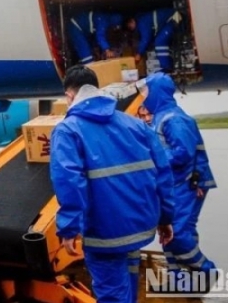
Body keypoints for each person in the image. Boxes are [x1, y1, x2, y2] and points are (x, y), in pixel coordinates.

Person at [50, 65, 174, 302]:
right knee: (128, 279)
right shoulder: (135, 124)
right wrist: (166, 217)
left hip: (104, 233)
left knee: (112, 294)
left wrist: (68, 229)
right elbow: (163, 173)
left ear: (69, 95)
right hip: (139, 224)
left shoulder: (68, 130)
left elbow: (69, 181)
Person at [139, 72, 216, 273]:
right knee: (171, 233)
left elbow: (183, 153)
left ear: (156, 92)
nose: (143, 96)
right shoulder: (159, 118)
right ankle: (179, 278)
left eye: (146, 91)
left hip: (187, 184)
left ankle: (207, 271)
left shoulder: (174, 119)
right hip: (176, 184)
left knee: (179, 233)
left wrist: (154, 161)